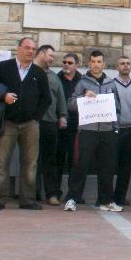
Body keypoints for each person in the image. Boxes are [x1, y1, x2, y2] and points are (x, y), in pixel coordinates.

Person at [63, 50, 121, 213]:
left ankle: (105, 201)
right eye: (93, 61)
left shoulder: (111, 83)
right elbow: (70, 103)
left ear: (104, 64)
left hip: (107, 132)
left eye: (99, 61)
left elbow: (117, 107)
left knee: (107, 167)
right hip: (87, 131)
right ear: (89, 63)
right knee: (80, 165)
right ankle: (72, 199)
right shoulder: (82, 83)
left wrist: (115, 128)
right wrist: (83, 98)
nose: (96, 64)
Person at [0, 37, 51, 210]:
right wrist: (3, 97)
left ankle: (27, 200)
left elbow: (46, 99)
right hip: (8, 122)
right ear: (18, 48)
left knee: (30, 163)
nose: (30, 51)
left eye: (33, 49)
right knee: (1, 162)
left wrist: (35, 117)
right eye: (27, 48)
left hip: (30, 125)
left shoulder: (38, 73)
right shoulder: (3, 68)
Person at [34, 45, 67, 206]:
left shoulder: (54, 77)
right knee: (31, 160)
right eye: (50, 55)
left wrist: (63, 116)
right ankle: (32, 194)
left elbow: (60, 99)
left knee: (50, 160)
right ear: (40, 54)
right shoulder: (28, 72)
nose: (52, 59)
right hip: (31, 122)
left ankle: (51, 194)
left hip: (50, 124)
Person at [112, 56, 131, 207]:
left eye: (128, 64)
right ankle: (107, 197)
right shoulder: (111, 84)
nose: (126, 66)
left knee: (126, 167)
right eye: (122, 63)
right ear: (117, 67)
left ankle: (120, 198)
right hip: (115, 130)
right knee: (110, 166)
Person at [57, 53, 81, 183]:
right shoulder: (56, 79)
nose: (66, 64)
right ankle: (54, 192)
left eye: (70, 63)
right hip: (58, 125)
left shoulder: (82, 81)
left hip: (77, 126)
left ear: (76, 66)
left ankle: (73, 194)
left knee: (75, 159)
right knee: (57, 158)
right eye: (64, 61)